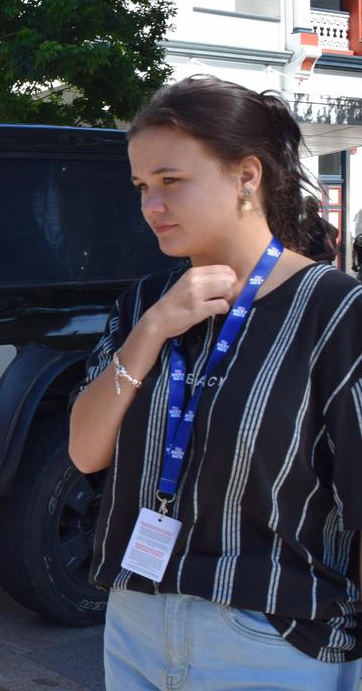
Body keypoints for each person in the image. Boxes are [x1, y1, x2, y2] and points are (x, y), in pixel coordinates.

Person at [69, 75, 362, 690]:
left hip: (272, 638)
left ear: (246, 178)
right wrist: (151, 331)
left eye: (171, 181)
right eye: (142, 186)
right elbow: (85, 450)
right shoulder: (145, 303)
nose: (152, 204)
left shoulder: (336, 311)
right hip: (135, 624)